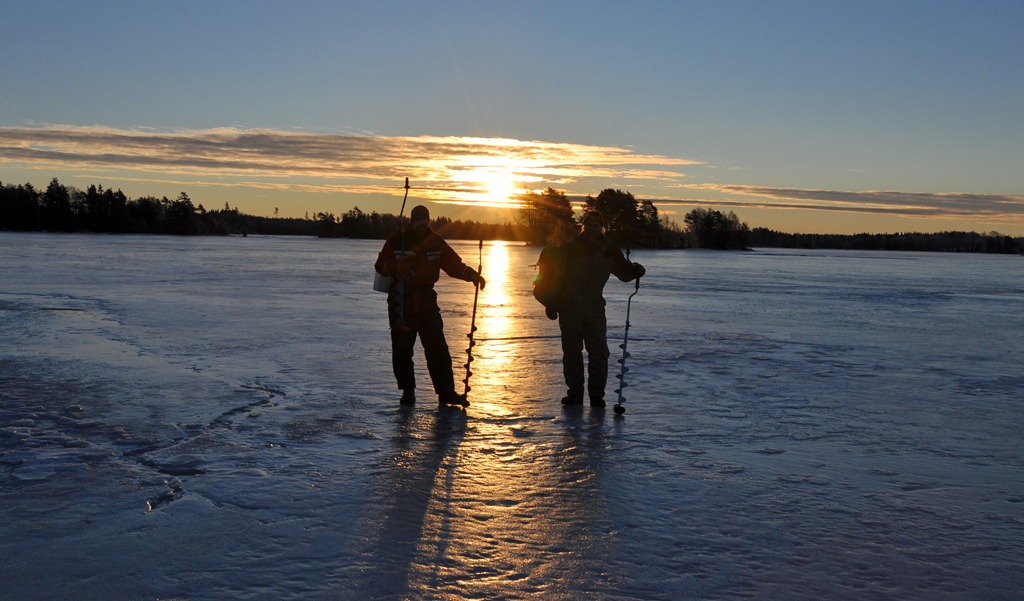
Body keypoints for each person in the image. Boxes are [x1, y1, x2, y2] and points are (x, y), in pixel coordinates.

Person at [375, 205, 486, 407]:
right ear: (412, 220)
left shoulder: (436, 242)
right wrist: (394, 266)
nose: (422, 224)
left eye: (425, 220)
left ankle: (446, 393)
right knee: (402, 350)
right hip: (402, 303)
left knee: (438, 349)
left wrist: (471, 275)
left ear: (428, 220)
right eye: (418, 220)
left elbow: (453, 264)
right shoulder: (397, 240)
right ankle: (408, 392)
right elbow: (380, 265)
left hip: (427, 301)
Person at [552, 210, 645, 408]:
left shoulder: (609, 250)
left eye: (597, 224)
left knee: (599, 354)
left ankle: (597, 397)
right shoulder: (569, 249)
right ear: (583, 226)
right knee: (572, 353)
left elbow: (624, 273)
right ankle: (575, 394)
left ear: (602, 227)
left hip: (595, 310)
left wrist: (636, 270)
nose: (593, 227)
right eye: (589, 223)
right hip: (569, 309)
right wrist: (551, 302)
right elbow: (554, 278)